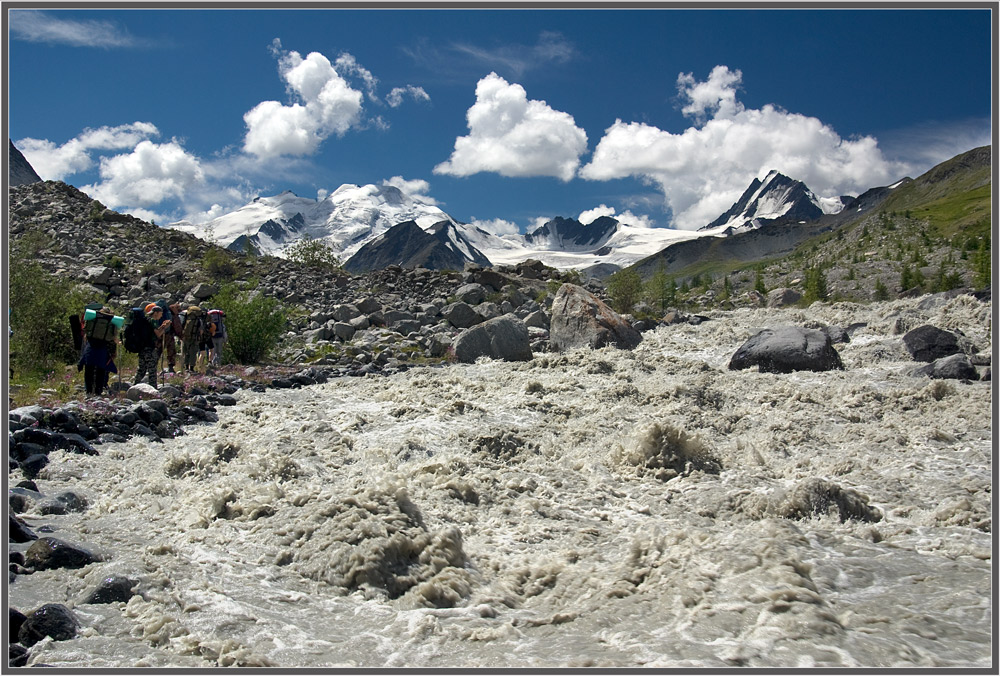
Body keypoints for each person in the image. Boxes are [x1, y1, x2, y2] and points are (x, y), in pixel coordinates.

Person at [77, 307, 118, 397]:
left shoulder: (94, 319)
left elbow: (85, 332)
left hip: (90, 346)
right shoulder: (111, 321)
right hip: (102, 348)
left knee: (89, 370)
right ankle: (98, 391)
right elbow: (113, 339)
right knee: (101, 370)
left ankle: (88, 392)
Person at [135, 304, 171, 388]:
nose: (161, 315)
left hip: (142, 348)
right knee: (152, 369)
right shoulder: (153, 321)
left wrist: (162, 326)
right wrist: (165, 327)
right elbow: (158, 334)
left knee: (141, 369)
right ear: (156, 313)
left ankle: (135, 384)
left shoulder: (145, 320)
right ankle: (153, 387)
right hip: (150, 348)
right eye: (160, 313)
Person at [182, 305, 205, 372]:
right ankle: (191, 368)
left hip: (186, 338)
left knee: (186, 352)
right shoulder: (198, 320)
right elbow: (201, 331)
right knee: (193, 353)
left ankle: (186, 367)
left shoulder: (186, 318)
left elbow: (182, 327)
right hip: (194, 339)